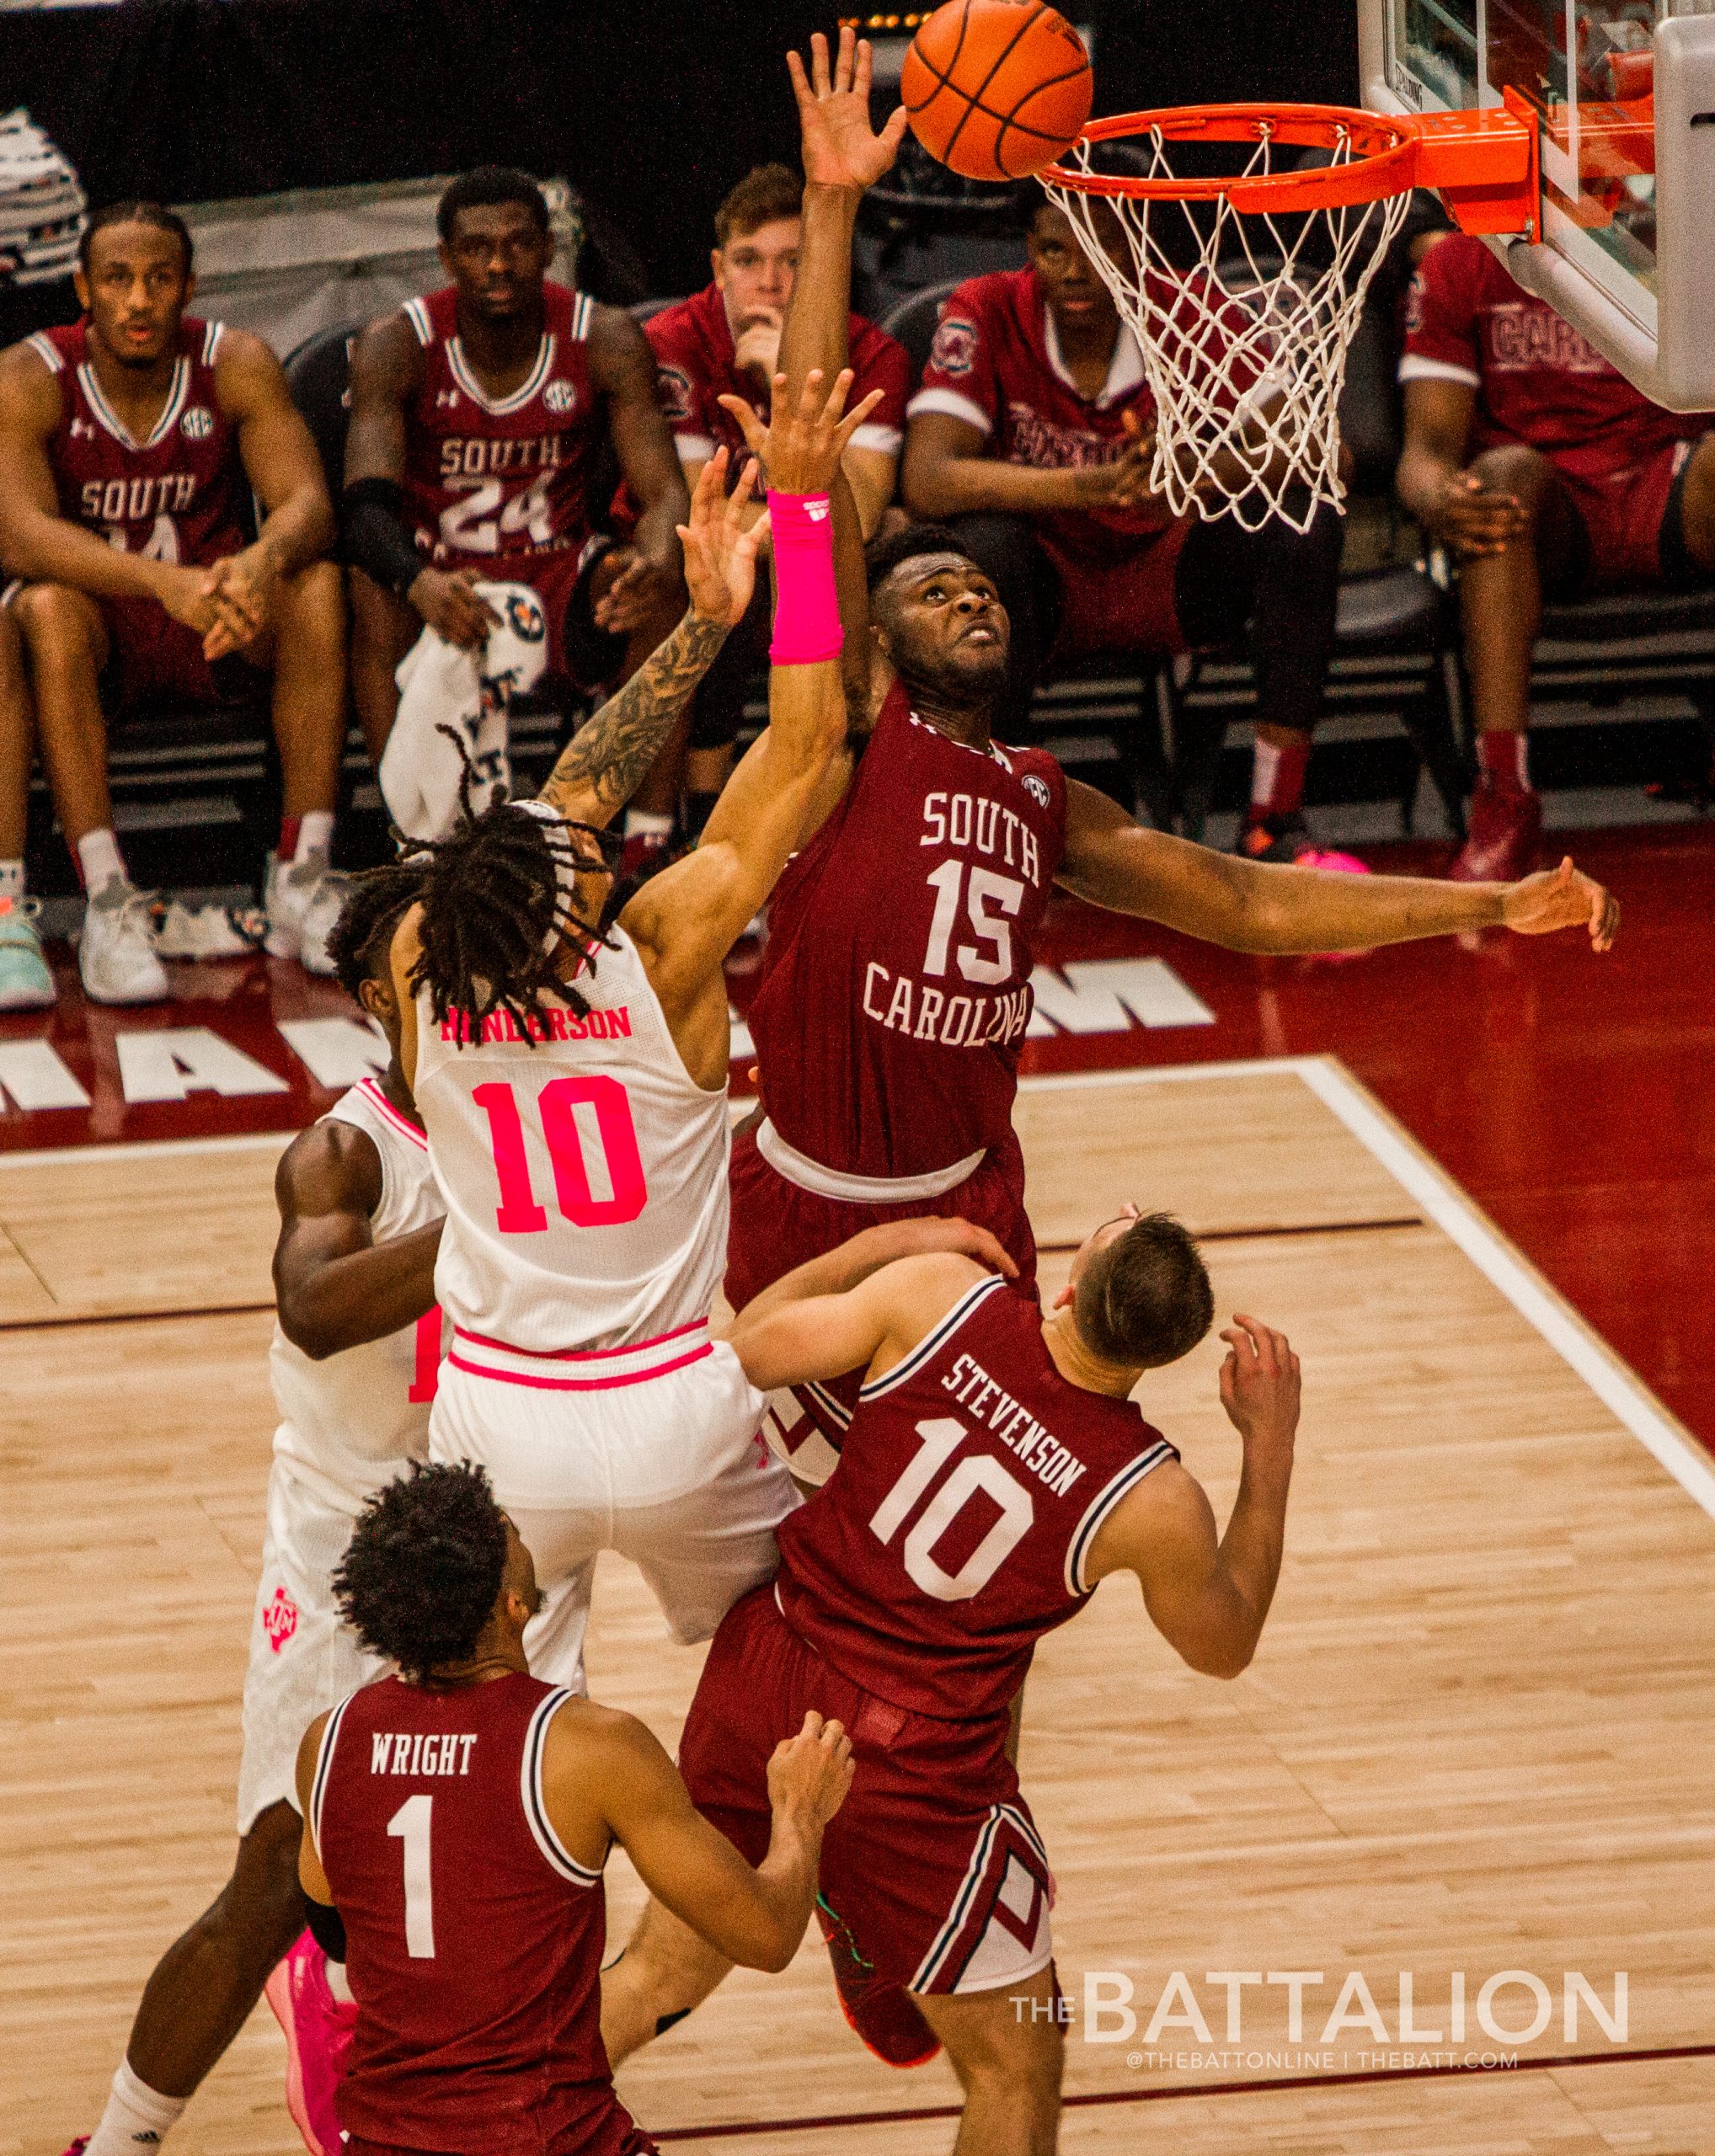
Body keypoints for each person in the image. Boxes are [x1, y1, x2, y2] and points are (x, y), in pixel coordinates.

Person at [724, 30, 1621, 1485]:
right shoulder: (828, 749)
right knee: (797, 1552)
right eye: (929, 583)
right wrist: (832, 206)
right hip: (806, 1213)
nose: (960, 590)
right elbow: (812, 453)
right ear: (870, 640)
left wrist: (1482, 907)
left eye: (971, 589)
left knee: (959, 1551)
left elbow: (1252, 908)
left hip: (967, 1222)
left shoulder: (1040, 801)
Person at [602, 1209, 1298, 2155]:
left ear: (1066, 1281)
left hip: (764, 1674)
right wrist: (1268, 1442)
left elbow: (744, 1351)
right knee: (1015, 2064)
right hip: (909, 1770)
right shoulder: (1150, 1497)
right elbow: (1224, 1642)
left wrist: (872, 1251)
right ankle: (866, 1927)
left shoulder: (937, 1294)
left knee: (656, 1976)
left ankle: (464, 2125)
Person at [385, 372, 876, 1700]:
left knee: (507, 1736)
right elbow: (811, 733)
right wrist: (803, 521)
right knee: (789, 1680)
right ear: (570, 904)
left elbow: (560, 805)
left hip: (500, 1420)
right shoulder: (663, 956)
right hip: (676, 1406)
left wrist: (692, 625)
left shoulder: (425, 964)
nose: (588, 834)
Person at [59, 865, 437, 2156]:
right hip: (345, 1532)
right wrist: (499, 1209)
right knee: (275, 1874)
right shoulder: (342, 1149)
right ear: (381, 998)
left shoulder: (535, 1112)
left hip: (495, 1531)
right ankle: (119, 2137)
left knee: (512, 1852)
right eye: (434, 962)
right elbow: (315, 1305)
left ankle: (406, 2040)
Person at [296, 1460, 853, 2156]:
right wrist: (800, 1813)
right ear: (514, 1605)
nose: (520, 1534)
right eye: (508, 1533)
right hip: (547, 2141)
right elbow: (767, 1935)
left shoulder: (330, 1743)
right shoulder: (591, 1749)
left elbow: (335, 1932)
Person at [900, 191, 1346, 862]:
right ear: (1029, 252)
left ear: (1134, 253)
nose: (1077, 273)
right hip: (1043, 584)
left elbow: (1324, 450)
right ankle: (998, 824)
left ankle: (1273, 818)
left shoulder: (1187, 307)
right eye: (1056, 250)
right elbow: (929, 479)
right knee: (983, 550)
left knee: (1305, 516)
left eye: (1100, 251)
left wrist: (1189, 471)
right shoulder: (985, 308)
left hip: (1166, 572)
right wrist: (1090, 485)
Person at [0, 200, 347, 1006]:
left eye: (159, 279)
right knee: (42, 609)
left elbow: (308, 505)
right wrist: (166, 584)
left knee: (319, 587)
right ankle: (109, 900)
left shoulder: (237, 361)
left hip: (218, 620)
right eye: (117, 279)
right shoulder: (29, 376)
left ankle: (302, 871)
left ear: (190, 286)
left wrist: (259, 564)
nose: (138, 300)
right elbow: (17, 537)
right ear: (83, 287)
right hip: (104, 628)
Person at [342, 168, 690, 829]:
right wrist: (418, 583)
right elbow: (363, 509)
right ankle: (415, 845)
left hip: (552, 573)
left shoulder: (604, 337)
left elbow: (666, 493)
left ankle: (648, 844)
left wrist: (649, 563)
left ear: (550, 247)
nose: (499, 263)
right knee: (371, 588)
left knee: (661, 591)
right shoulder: (398, 344)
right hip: (446, 577)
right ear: (446, 258)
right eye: (477, 248)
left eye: (519, 244)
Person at [1397, 231, 1715, 881]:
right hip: (1551, 508)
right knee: (1499, 481)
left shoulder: (1684, 240)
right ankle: (1505, 798)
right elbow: (1425, 452)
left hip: (1668, 483)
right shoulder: (1461, 260)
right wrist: (1441, 498)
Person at [631, 162, 910, 847]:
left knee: (846, 568)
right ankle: (697, 831)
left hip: (809, 556)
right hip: (715, 565)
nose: (772, 282)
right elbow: (704, 514)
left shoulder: (873, 353)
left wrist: (788, 377)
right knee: (728, 577)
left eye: (794, 263)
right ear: (719, 268)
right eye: (750, 261)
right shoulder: (673, 343)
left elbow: (864, 511)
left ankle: (857, 823)